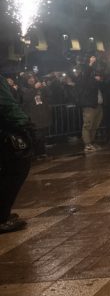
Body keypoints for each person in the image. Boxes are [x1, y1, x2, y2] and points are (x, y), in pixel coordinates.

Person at [0, 77, 33, 233]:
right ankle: (1, 217)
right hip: (6, 128)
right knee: (15, 170)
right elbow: (6, 104)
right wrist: (23, 122)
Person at [76, 56, 104, 152]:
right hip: (89, 105)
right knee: (88, 125)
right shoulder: (83, 79)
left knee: (95, 125)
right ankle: (87, 144)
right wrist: (91, 64)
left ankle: (92, 142)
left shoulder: (94, 80)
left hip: (97, 104)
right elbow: (86, 74)